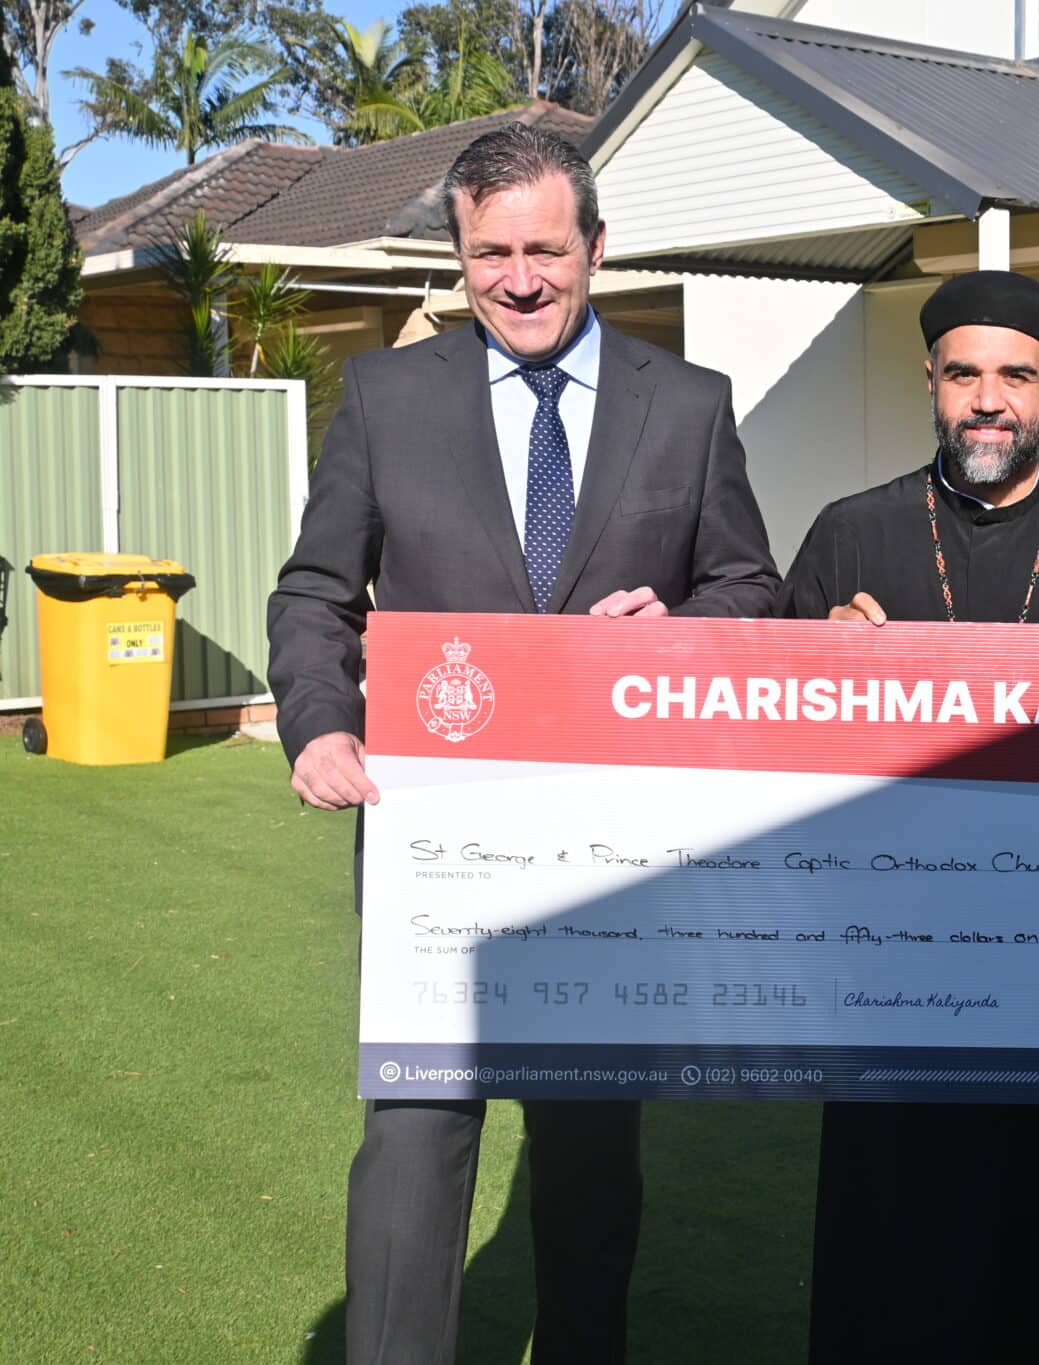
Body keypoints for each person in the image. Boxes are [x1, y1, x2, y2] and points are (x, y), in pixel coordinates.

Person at [266, 123, 779, 1365]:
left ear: (595, 246)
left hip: (611, 848)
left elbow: (750, 588)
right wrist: (321, 725)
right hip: (435, 839)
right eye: (489, 253)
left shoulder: (688, 404)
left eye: (545, 249)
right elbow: (315, 593)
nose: (520, 279)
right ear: (457, 255)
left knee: (590, 1149)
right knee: (414, 1136)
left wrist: (680, 626)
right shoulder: (386, 398)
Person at [779, 270, 1039, 1363]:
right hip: (893, 973)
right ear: (928, 380)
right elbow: (760, 759)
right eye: (962, 374)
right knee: (896, 1267)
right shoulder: (849, 533)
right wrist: (814, 668)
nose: (987, 400)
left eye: (1014, 375)